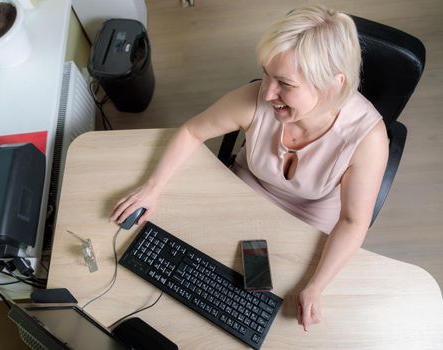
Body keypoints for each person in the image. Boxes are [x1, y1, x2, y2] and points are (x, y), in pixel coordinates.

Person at [110, 5, 388, 331]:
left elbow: (354, 221)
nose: (267, 92)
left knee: (268, 305)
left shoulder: (368, 138)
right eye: (266, 73)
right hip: (245, 194)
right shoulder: (258, 97)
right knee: (194, 277)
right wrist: (152, 187)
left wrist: (316, 286)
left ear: (333, 84)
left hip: (308, 219)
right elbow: (192, 131)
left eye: (285, 83)